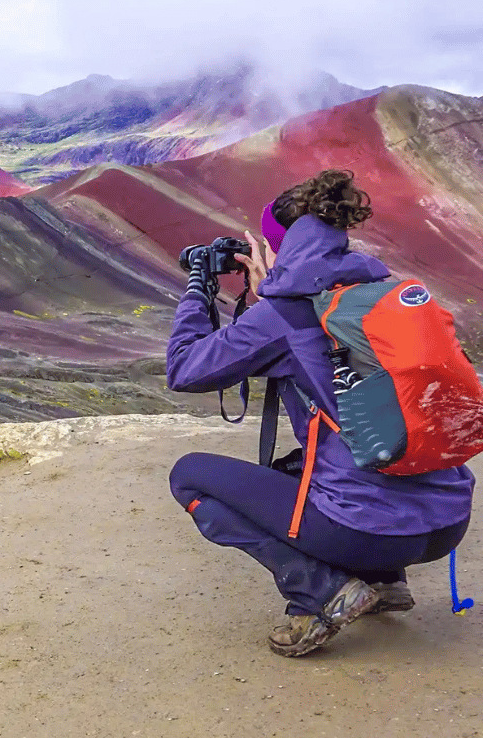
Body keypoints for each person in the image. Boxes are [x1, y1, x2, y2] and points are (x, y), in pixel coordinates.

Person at [166, 169, 475, 657]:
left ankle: (322, 592)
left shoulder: (283, 314)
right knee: (299, 465)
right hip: (447, 523)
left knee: (190, 476)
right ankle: (386, 583)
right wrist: (273, 292)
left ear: (279, 247)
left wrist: (196, 291)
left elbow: (185, 369)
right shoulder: (376, 296)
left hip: (367, 533)